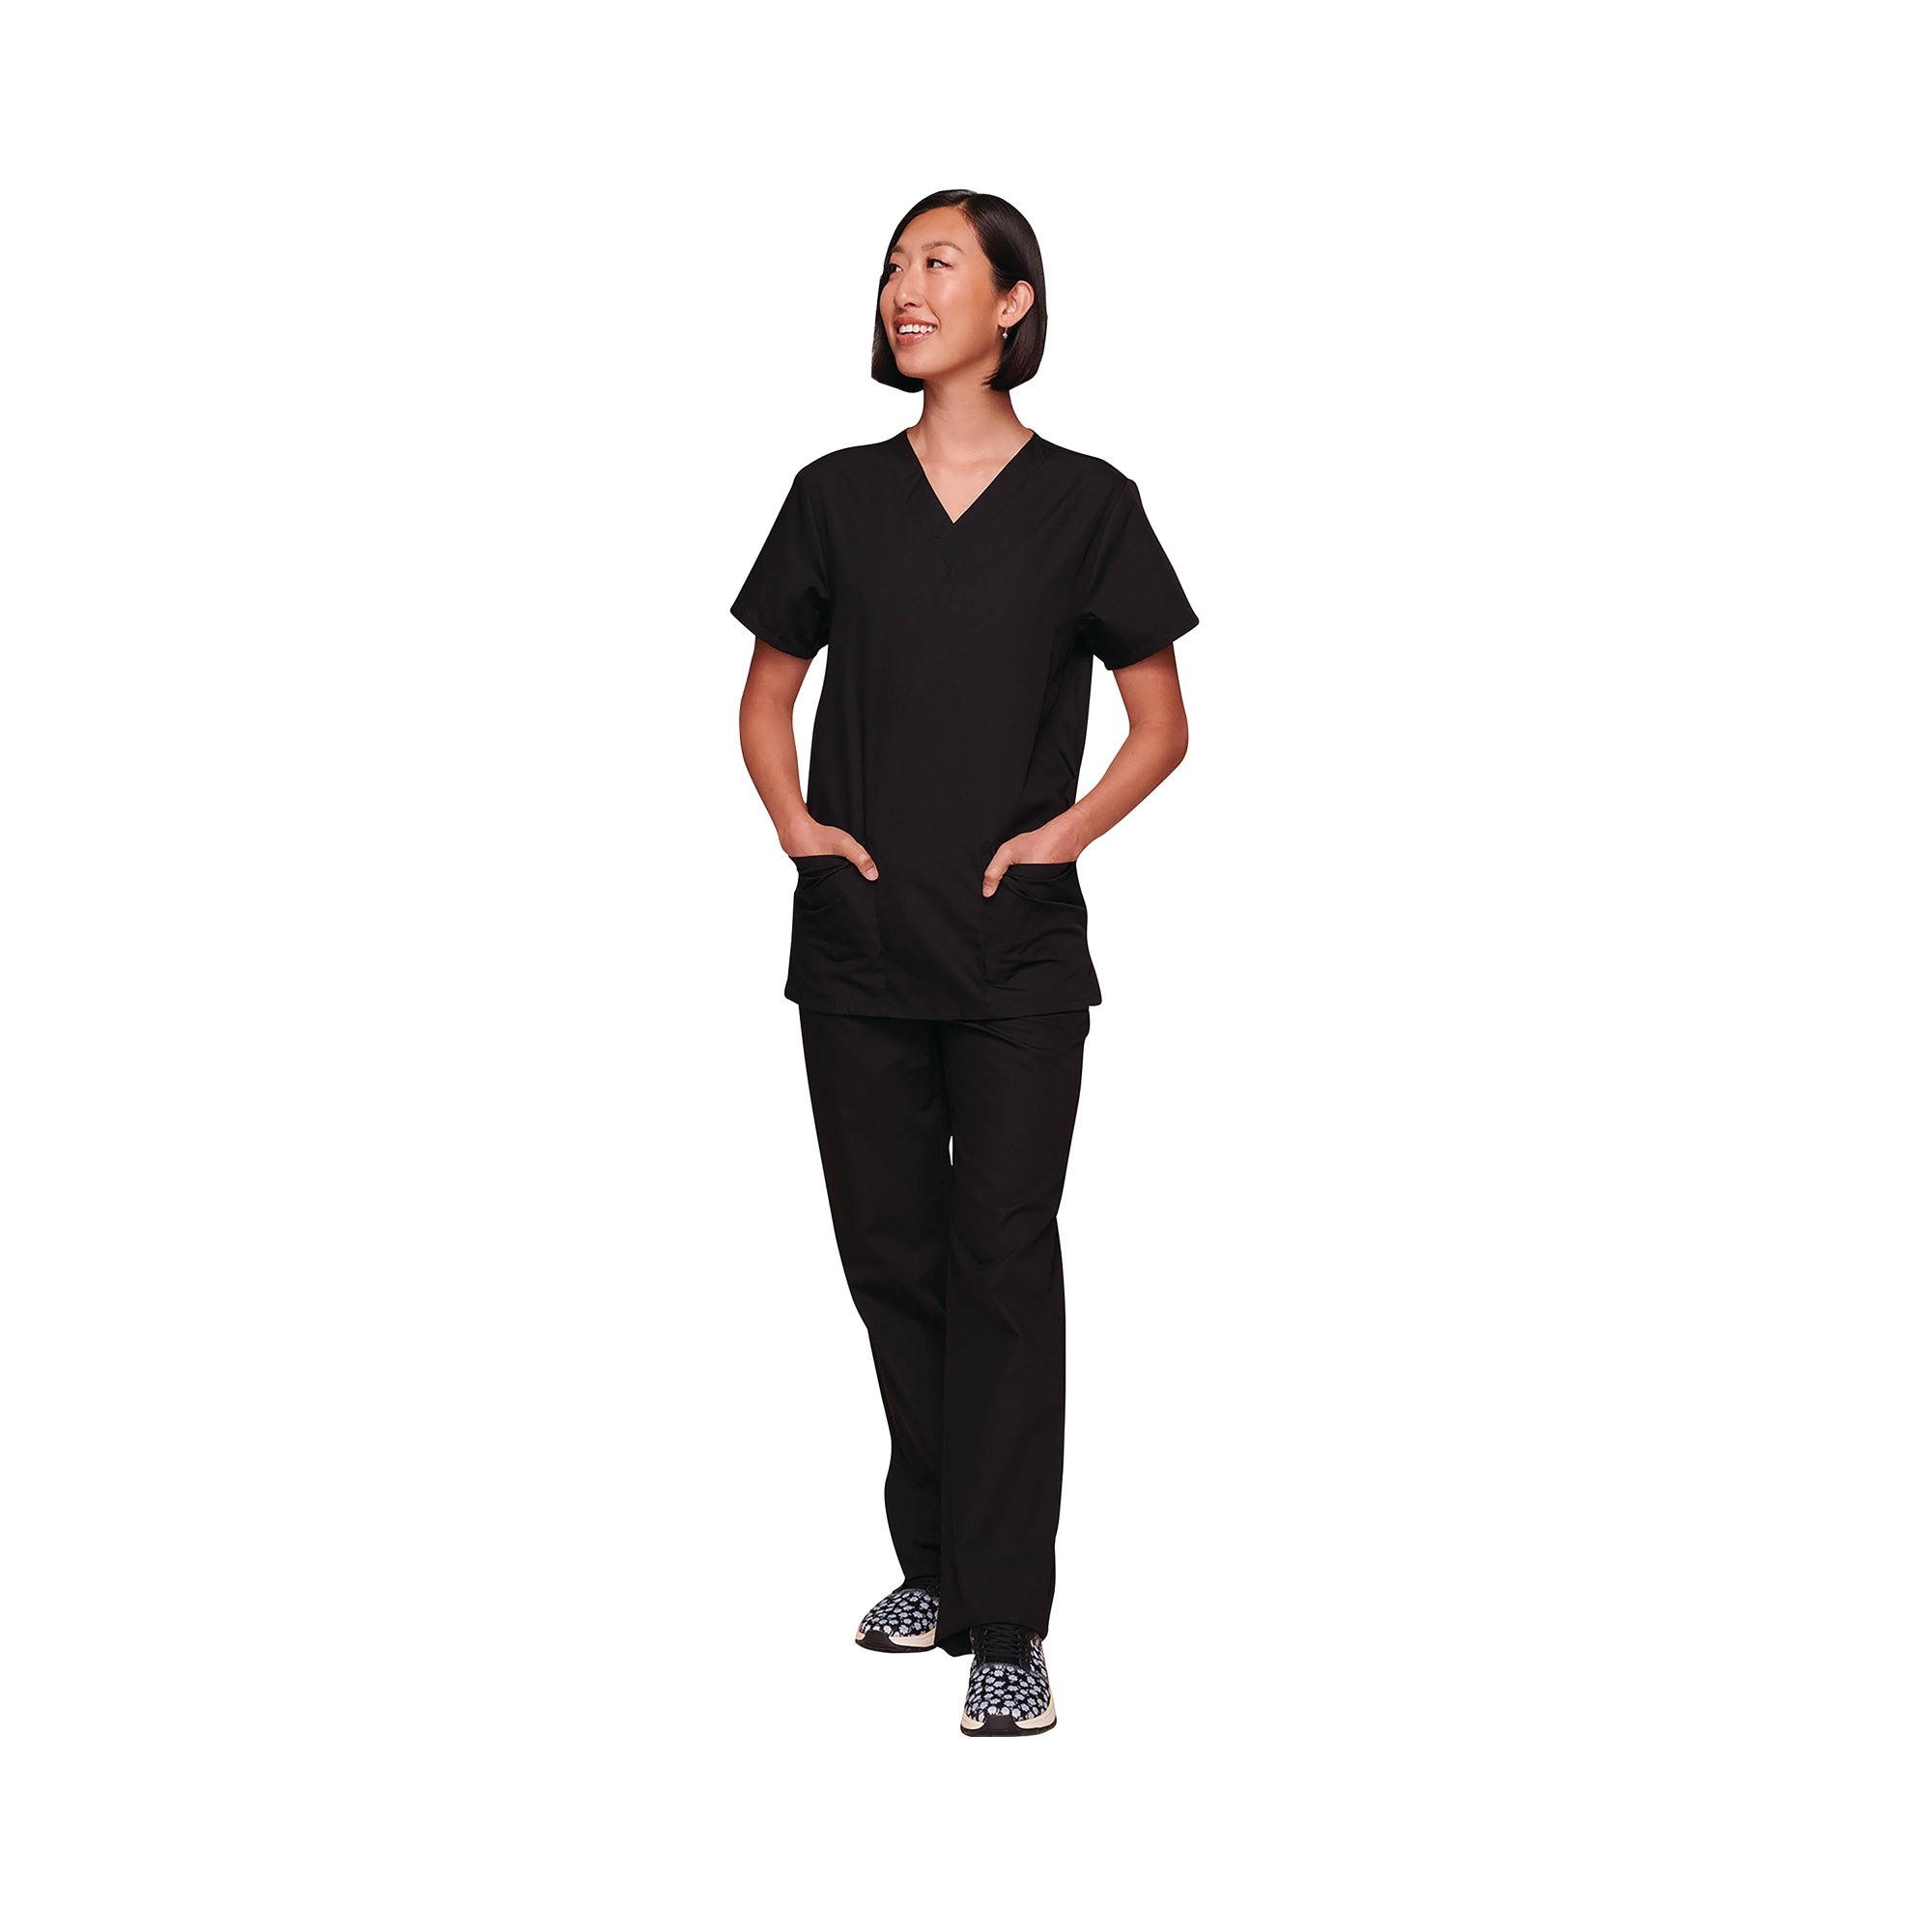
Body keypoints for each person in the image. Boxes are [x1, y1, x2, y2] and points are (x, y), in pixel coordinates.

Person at [728, 189, 1199, 1737]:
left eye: (937, 263)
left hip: (1014, 958)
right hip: (859, 945)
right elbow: (766, 696)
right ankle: (928, 1563)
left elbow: (1160, 725)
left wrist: (1066, 836)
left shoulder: (1089, 505)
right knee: (892, 1263)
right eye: (890, 266)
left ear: (1013, 302)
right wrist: (797, 824)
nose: (902, 287)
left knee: (1000, 1262)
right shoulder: (834, 496)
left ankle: (1007, 1621)